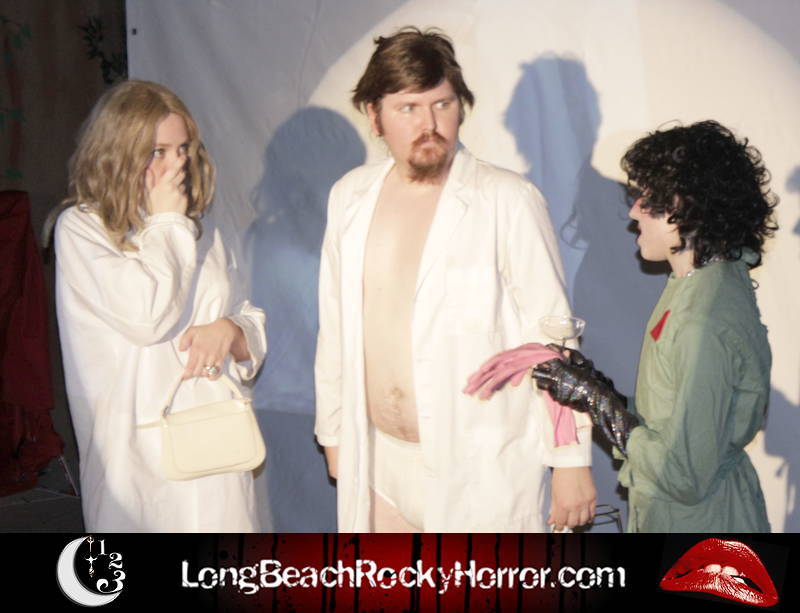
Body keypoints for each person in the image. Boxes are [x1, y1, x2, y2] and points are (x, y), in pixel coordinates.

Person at [314, 27, 595, 532]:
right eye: (408, 108)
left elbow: (552, 339)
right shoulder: (349, 197)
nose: (429, 124)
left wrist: (571, 460)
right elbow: (335, 325)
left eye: (442, 104)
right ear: (374, 116)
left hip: (481, 466)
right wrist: (333, 431)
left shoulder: (507, 200)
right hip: (376, 460)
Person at [468, 120, 777, 532]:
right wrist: (598, 391)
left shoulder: (704, 317)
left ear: (682, 205)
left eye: (646, 198)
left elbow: (682, 474)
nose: (633, 211)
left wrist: (599, 403)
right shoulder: (695, 285)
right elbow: (670, 421)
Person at [54, 80, 267, 532]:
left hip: (216, 447)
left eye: (183, 149)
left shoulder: (201, 228)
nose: (178, 163)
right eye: (158, 152)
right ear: (119, 152)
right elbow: (147, 318)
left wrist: (232, 331)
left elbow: (249, 314)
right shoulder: (83, 229)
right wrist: (167, 221)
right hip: (137, 461)